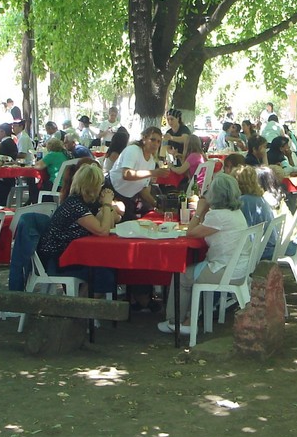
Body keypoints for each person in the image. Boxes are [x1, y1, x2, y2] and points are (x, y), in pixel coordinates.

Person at [159, 173, 250, 335]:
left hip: (226, 270)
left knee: (182, 275)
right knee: (191, 271)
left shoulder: (218, 216)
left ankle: (176, 321)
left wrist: (200, 211)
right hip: (238, 268)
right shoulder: (235, 212)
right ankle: (189, 316)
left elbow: (190, 232)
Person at [35, 163, 121, 296]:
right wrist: (107, 204)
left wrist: (107, 208)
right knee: (103, 270)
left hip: (70, 255)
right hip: (56, 260)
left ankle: (85, 303)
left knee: (106, 265)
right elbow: (103, 232)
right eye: (100, 185)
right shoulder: (75, 205)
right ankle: (85, 307)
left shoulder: (84, 202)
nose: (101, 188)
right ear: (92, 187)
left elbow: (109, 226)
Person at [108, 126, 171, 220]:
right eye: (153, 140)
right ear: (144, 138)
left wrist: (156, 205)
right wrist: (153, 173)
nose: (155, 144)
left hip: (128, 199)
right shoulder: (133, 150)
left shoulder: (151, 162)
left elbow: (143, 190)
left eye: (158, 141)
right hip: (110, 192)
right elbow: (126, 174)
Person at [234, 165, 277, 260]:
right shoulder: (259, 198)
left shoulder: (244, 201)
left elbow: (243, 230)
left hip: (262, 250)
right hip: (271, 245)